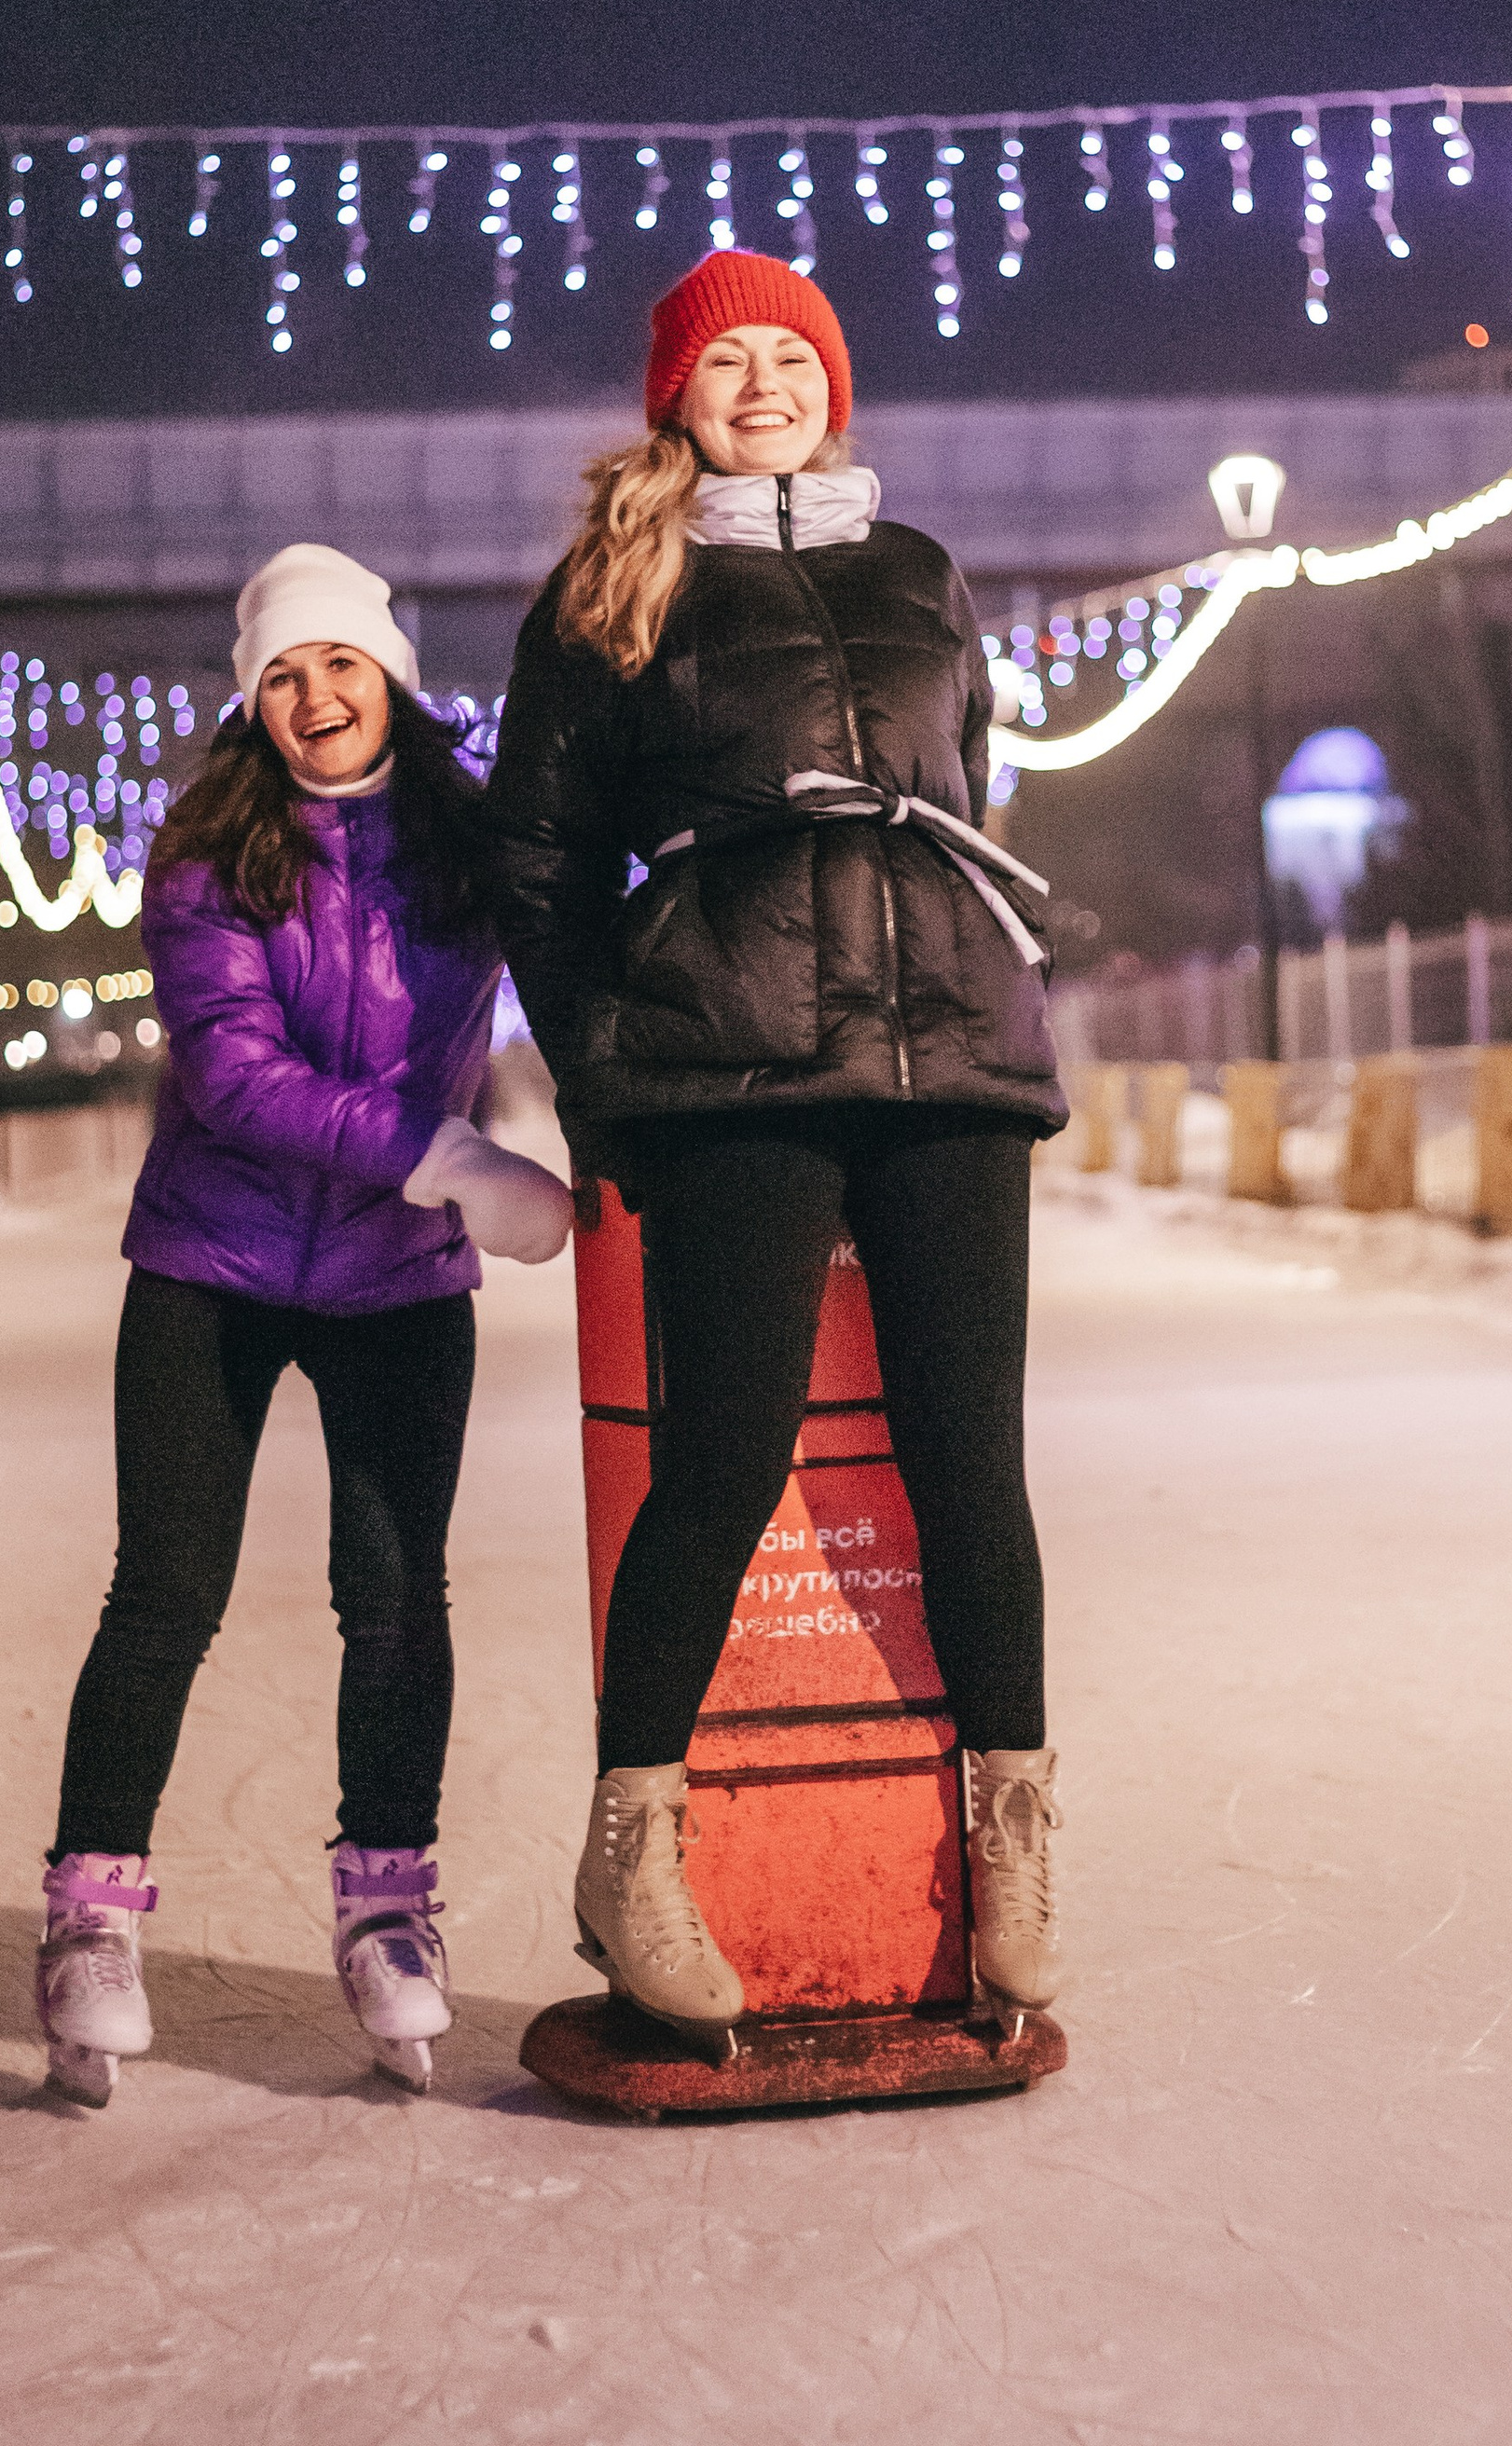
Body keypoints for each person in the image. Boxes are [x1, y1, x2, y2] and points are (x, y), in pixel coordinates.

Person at [486, 249, 1068, 2050]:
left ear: (835, 384)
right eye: (725, 358)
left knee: (974, 1464)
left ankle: (1016, 1833)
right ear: (676, 394)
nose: (762, 381)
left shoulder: (922, 573)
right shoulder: (620, 586)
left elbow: (959, 784)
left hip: (950, 1057)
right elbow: (537, 860)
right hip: (733, 1063)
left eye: (791, 355)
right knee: (718, 1468)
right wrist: (605, 1083)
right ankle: (630, 1846)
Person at [35, 543, 573, 2100]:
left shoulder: (473, 840)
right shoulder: (211, 853)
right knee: (167, 1592)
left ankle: (390, 1910)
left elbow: (599, 925)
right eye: (281, 673)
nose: (313, 696)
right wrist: (455, 1157)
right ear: (252, 699)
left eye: (336, 663)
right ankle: (90, 1916)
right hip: (214, 1258)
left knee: (397, 1597)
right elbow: (235, 1074)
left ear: (389, 673)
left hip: (398, 1283)